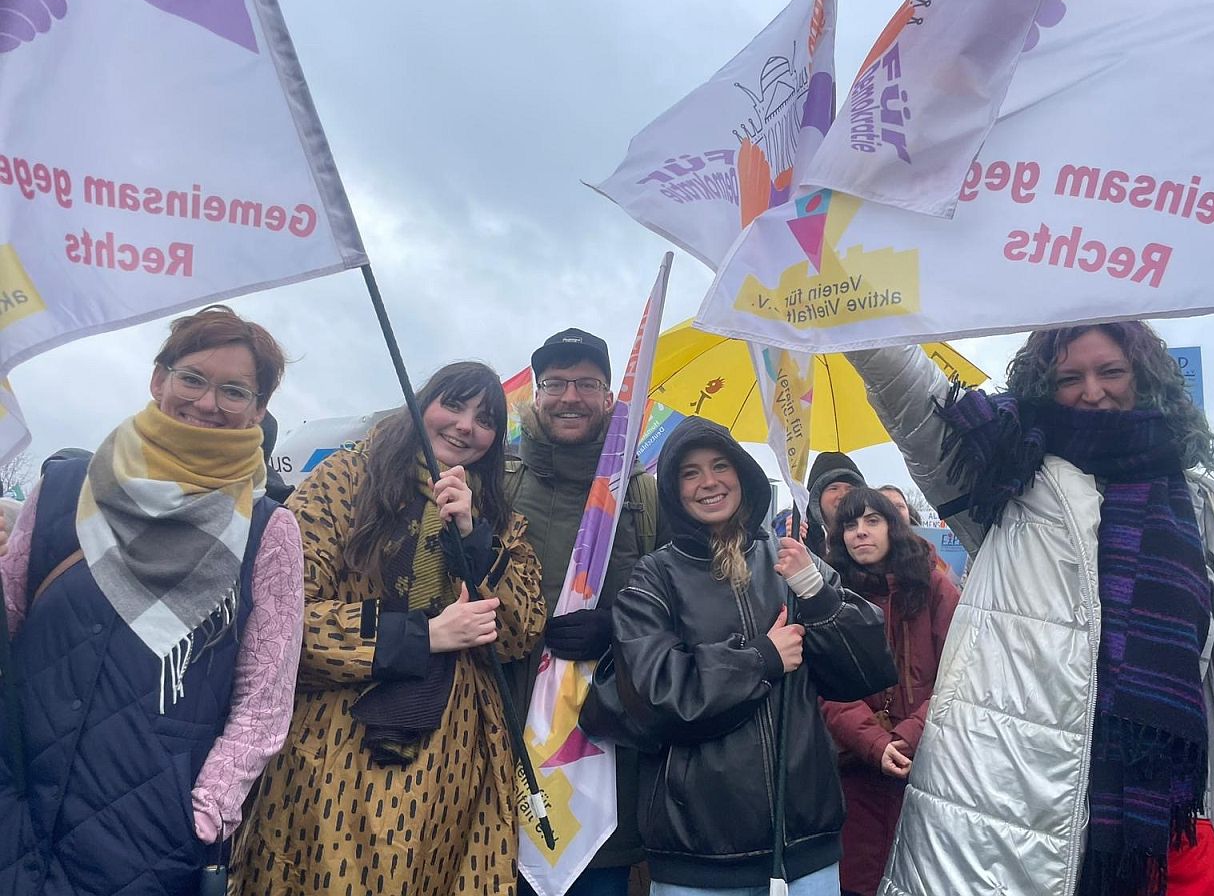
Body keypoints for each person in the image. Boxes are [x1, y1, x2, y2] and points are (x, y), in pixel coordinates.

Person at [847, 322, 1214, 896]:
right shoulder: (1009, 481)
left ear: (1144, 378)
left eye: (1111, 371)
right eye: (1069, 377)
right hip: (1022, 807)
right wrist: (852, 309)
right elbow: (914, 398)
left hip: (1170, 816)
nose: (1092, 391)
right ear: (1043, 387)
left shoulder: (1209, 511)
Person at [0, 305, 303, 895]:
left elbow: (265, 699)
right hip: (15, 786)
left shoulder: (268, 531)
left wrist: (206, 810)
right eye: (192, 377)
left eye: (234, 390)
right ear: (158, 378)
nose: (208, 402)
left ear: (258, 409)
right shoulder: (65, 487)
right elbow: (9, 620)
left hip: (146, 830)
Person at [231, 360, 547, 896]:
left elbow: (520, 632)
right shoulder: (344, 479)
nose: (467, 426)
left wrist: (474, 539)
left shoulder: (498, 515)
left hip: (458, 759)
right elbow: (282, 621)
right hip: (338, 747)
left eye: (486, 418)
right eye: (454, 404)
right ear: (421, 405)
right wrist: (423, 636)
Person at [593, 416, 896, 896]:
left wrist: (816, 594)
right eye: (690, 472)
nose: (709, 482)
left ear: (744, 474)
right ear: (672, 488)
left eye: (720, 465)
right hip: (698, 855)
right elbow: (653, 696)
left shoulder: (793, 560)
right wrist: (761, 659)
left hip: (806, 847)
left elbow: (868, 670)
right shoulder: (653, 579)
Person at [504, 328, 660, 896]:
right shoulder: (499, 483)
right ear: (537, 394)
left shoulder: (643, 493)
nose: (571, 397)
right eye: (557, 383)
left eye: (587, 384)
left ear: (609, 395)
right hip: (503, 739)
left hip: (605, 748)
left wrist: (616, 629)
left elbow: (677, 610)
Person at [819, 488, 959, 896]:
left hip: (928, 765)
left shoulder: (934, 587)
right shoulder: (831, 595)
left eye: (871, 521)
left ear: (892, 527)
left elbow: (958, 673)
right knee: (858, 881)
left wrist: (905, 737)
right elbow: (827, 685)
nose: (860, 532)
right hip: (854, 769)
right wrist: (874, 743)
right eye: (850, 524)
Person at [803, 451, 866, 559]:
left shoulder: (872, 537)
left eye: (850, 489)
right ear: (816, 499)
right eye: (834, 488)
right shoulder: (804, 541)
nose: (842, 495)